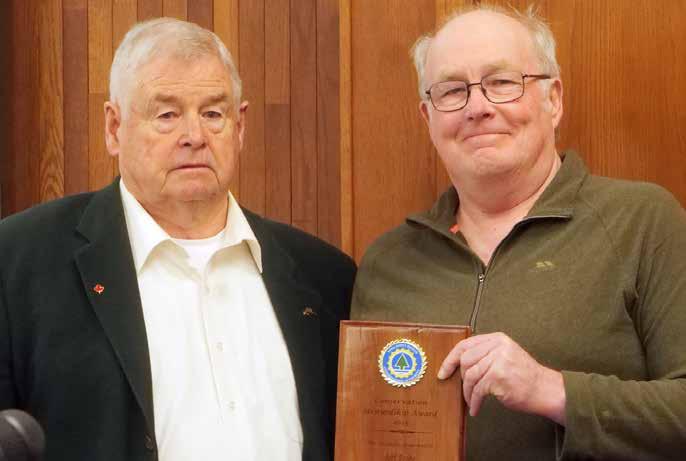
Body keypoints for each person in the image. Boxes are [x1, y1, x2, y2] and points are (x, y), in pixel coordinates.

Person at [0, 18, 355, 461]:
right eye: (167, 115)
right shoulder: (19, 262)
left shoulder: (325, 277)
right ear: (114, 127)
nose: (194, 137)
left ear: (240, 126)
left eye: (213, 114)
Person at [351, 5, 686, 461]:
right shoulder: (388, 263)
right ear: (427, 119)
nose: (478, 108)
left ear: (553, 100)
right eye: (452, 90)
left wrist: (551, 390)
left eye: (503, 82)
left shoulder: (642, 222)